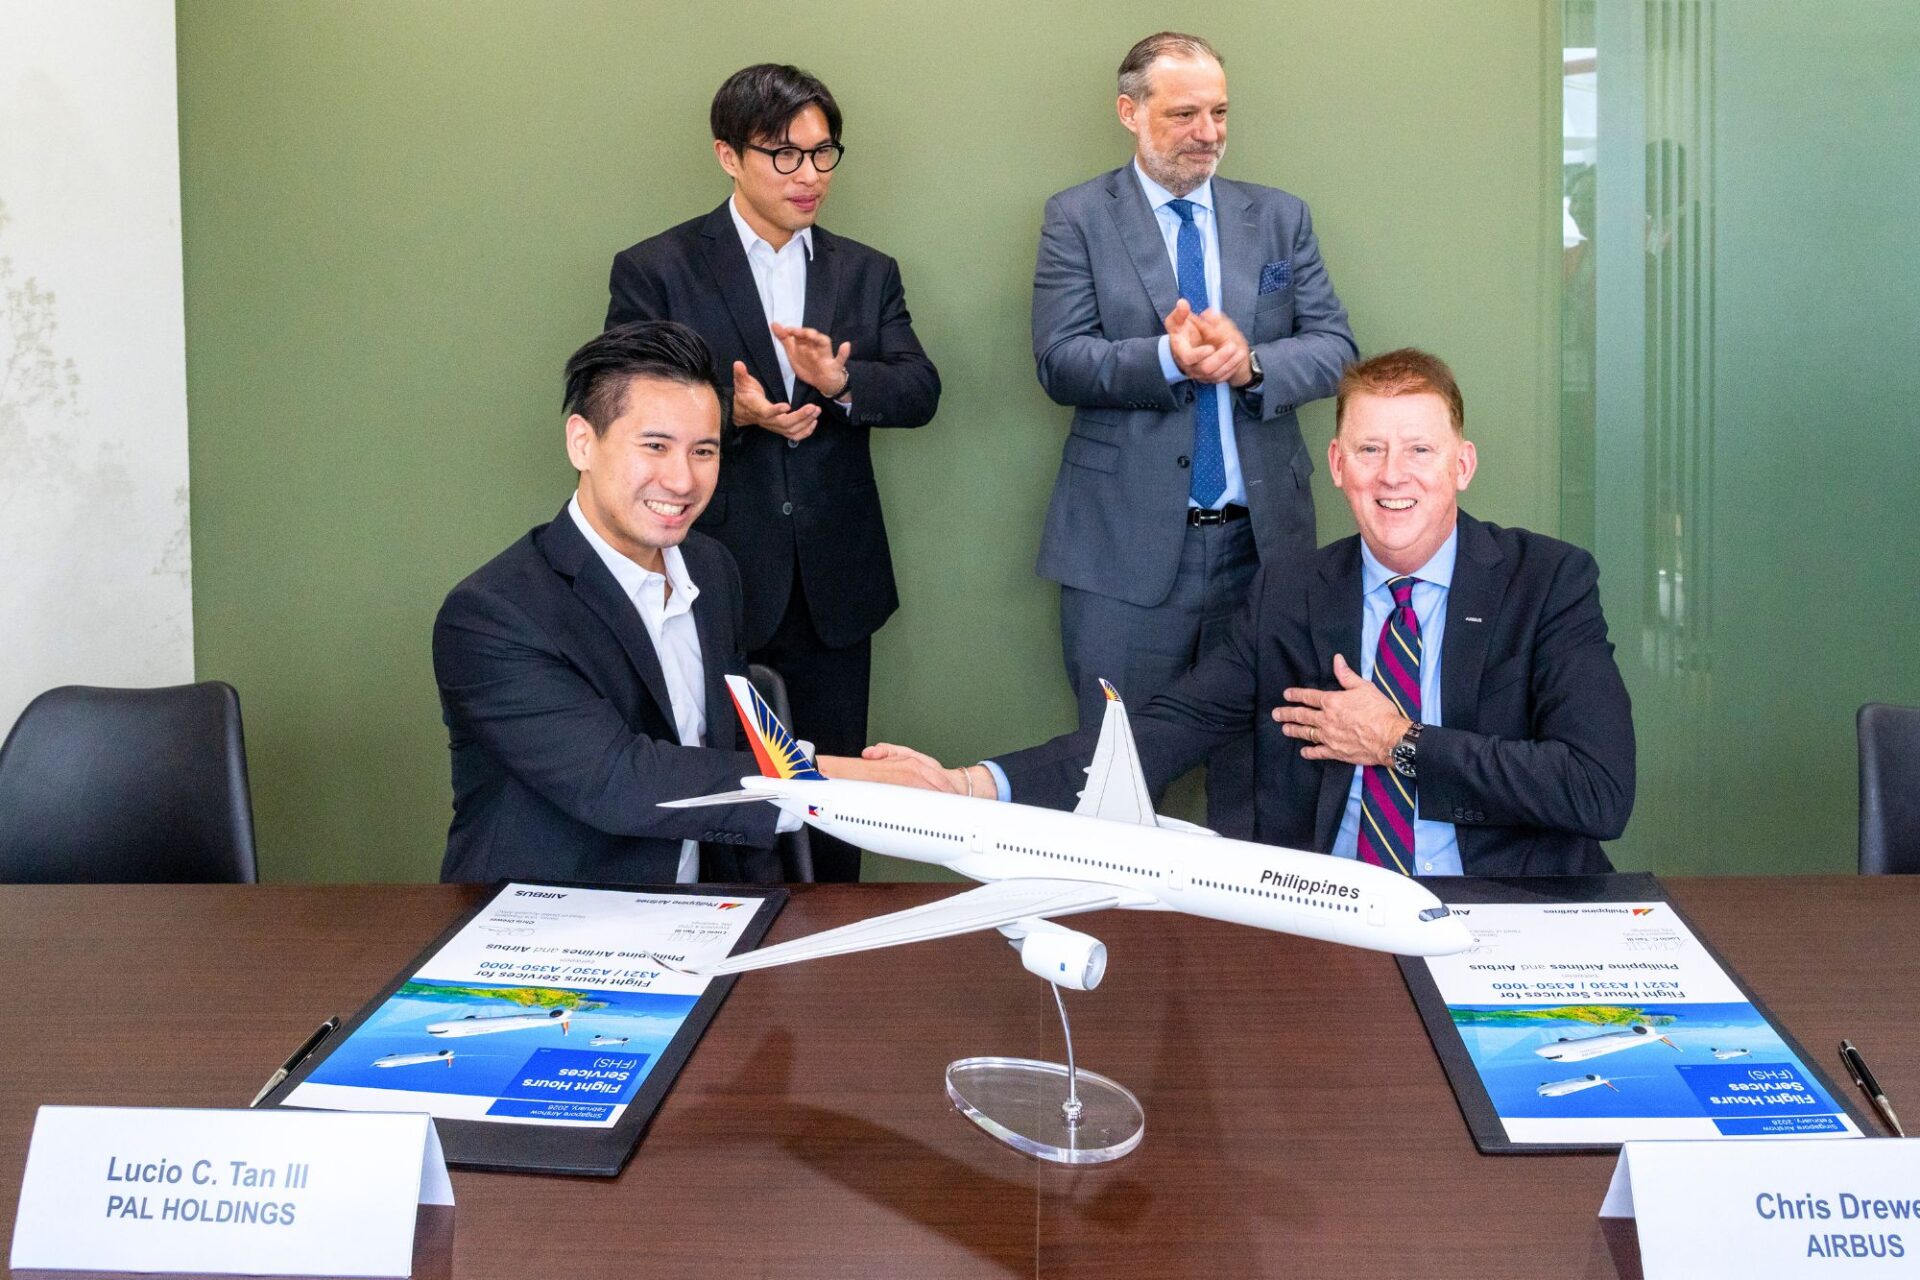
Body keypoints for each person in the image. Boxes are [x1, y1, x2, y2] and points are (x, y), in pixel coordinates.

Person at [890, 349, 1634, 877]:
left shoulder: (1547, 581)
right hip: (1329, 910)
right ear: (1337, 465)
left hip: (1497, 908)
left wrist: (1398, 742)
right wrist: (974, 785)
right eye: (1370, 450)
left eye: (1419, 450)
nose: (1393, 475)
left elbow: (1598, 792)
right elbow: (1168, 729)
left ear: (1461, 465)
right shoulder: (1292, 591)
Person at [433, 322, 948, 887]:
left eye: (703, 451)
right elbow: (621, 782)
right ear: (582, 442)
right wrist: (842, 780)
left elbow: (730, 744)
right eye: (655, 446)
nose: (682, 480)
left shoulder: (711, 567)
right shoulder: (492, 615)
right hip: (547, 915)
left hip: (703, 904)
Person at [604, 63, 941, 882]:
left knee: (835, 803)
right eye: (784, 155)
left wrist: (842, 382)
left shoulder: (867, 270)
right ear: (729, 155)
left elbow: (921, 391)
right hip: (708, 571)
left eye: (823, 154)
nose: (808, 175)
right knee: (724, 791)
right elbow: (620, 401)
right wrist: (735, 412)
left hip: (836, 580)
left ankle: (832, 946)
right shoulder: (658, 267)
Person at [1031, 31, 1357, 838]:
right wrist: (1167, 358)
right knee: (1116, 778)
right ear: (1129, 112)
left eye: (1219, 113)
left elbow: (1336, 348)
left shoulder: (1279, 217)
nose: (1207, 133)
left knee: (1265, 780)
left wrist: (1251, 365)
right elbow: (1060, 360)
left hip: (1265, 550)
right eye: (1184, 114)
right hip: (1123, 553)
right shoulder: (1077, 217)